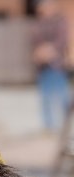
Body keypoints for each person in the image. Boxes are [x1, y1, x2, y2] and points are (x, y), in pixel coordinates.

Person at [32, 0, 71, 133]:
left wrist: (50, 50)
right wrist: (40, 52)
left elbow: (61, 41)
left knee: (63, 95)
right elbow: (35, 42)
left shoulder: (60, 22)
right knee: (46, 97)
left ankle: (68, 124)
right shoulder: (38, 24)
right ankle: (49, 126)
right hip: (43, 66)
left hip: (57, 65)